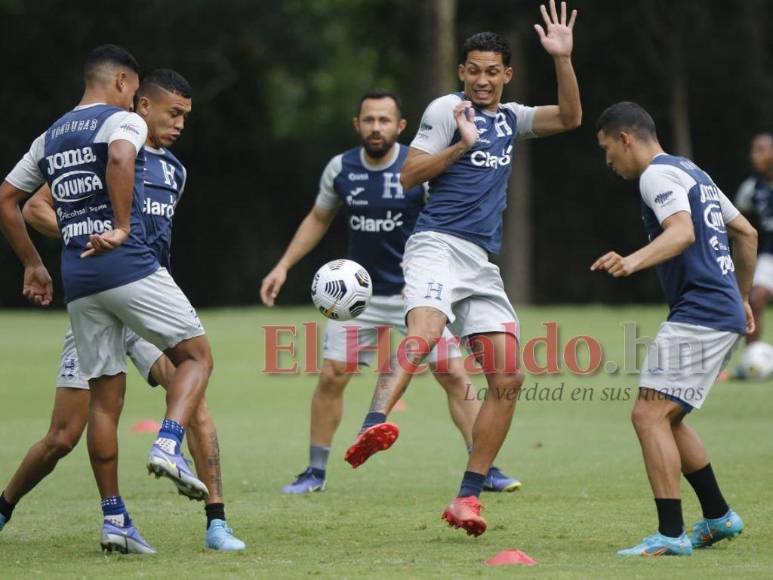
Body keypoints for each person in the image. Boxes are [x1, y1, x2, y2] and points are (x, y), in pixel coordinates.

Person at [343, 0, 582, 537]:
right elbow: (408, 174)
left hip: (479, 262)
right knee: (424, 333)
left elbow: (570, 118)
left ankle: (467, 498)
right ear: (461, 72)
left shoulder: (513, 118)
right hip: (435, 245)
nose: (481, 79)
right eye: (473, 69)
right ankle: (373, 423)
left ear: (507, 75)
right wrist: (459, 146)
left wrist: (563, 59)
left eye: (492, 71)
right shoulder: (444, 110)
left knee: (509, 376)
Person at [0, 69, 245, 552]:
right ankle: (6, 507)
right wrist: (85, 235)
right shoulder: (104, 147)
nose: (179, 125)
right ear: (141, 104)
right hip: (113, 283)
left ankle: (217, 522)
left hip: (138, 298)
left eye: (185, 117)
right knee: (63, 435)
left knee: (188, 391)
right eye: (173, 113)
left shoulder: (175, 171)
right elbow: (34, 208)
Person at [260, 90, 521, 495]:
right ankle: (314, 471)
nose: (376, 127)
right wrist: (283, 265)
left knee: (453, 373)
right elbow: (318, 217)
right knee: (332, 375)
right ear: (357, 125)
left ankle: (485, 467)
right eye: (368, 120)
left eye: (384, 120)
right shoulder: (341, 168)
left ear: (401, 127)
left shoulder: (422, 166)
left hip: (416, 291)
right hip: (355, 297)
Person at [592, 101, 756, 556]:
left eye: (610, 153)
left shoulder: (655, 175)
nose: (611, 165)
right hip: (718, 310)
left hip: (700, 311)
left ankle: (670, 535)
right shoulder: (692, 172)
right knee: (669, 415)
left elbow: (681, 232)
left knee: (648, 415)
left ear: (626, 138)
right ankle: (719, 516)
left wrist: (632, 260)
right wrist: (741, 298)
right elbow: (746, 233)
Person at [734, 132, 773, 346]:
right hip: (770, 254)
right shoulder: (750, 189)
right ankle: (753, 358)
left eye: (761, 150)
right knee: (755, 299)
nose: (754, 156)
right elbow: (740, 226)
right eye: (753, 151)